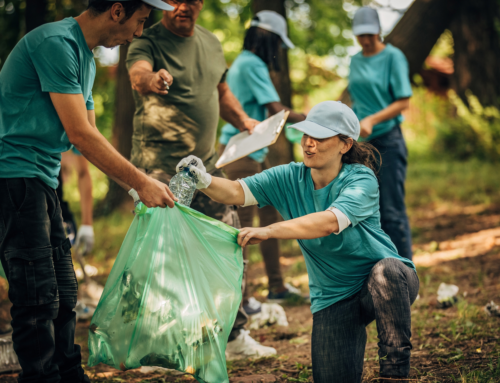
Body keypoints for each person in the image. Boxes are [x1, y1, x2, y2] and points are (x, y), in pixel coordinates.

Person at [176, 101, 420, 383]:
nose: (308, 144)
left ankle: (394, 374)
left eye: (319, 137)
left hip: (383, 283)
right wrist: (203, 179)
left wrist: (270, 230)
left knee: (386, 272)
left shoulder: (361, 179)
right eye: (306, 135)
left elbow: (329, 222)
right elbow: (235, 192)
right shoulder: (289, 176)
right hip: (334, 298)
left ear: (345, 144)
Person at [0, 1, 178, 381]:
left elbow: (90, 139)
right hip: (14, 178)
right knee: (36, 298)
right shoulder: (55, 44)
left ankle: (69, 374)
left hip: (43, 180)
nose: (140, 32)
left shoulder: (87, 60)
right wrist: (141, 182)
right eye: (140, 21)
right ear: (117, 11)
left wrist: (135, 189)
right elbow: (79, 133)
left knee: (64, 293)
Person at [126, 0, 276, 360]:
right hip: (158, 169)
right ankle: (155, 345)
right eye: (175, 0)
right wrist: (154, 79)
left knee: (231, 240)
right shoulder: (147, 40)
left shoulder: (211, 42)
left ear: (201, 4)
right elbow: (138, 75)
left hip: (205, 167)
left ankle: (234, 334)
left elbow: (221, 93)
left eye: (191, 0)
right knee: (162, 257)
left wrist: (245, 122)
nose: (183, 6)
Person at [218, 11, 307, 310]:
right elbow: (275, 109)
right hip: (241, 153)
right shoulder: (251, 63)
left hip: (253, 150)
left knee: (270, 215)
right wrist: (313, 120)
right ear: (267, 39)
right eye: (278, 44)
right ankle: (239, 302)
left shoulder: (245, 62)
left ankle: (277, 286)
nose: (278, 51)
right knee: (241, 227)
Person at [348, 7, 413, 260]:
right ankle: (380, 271)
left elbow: (403, 100)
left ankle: (405, 272)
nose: (364, 40)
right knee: (367, 209)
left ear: (379, 32)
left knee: (392, 211)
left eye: (369, 34)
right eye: (359, 35)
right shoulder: (354, 60)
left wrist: (373, 119)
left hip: (388, 139)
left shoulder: (393, 57)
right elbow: (356, 99)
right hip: (362, 143)